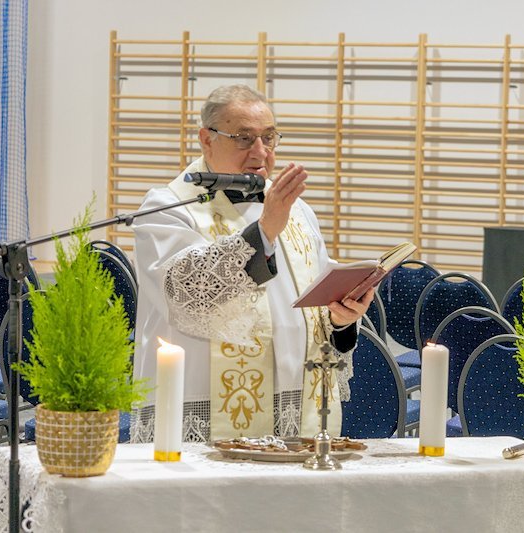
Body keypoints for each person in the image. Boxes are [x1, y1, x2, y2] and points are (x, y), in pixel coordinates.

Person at [131, 84, 373, 442]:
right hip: (206, 409)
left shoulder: (296, 209)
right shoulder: (167, 208)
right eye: (244, 138)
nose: (260, 152)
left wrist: (340, 319)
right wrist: (263, 232)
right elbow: (186, 292)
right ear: (206, 139)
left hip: (293, 405)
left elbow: (313, 298)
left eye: (269, 138)